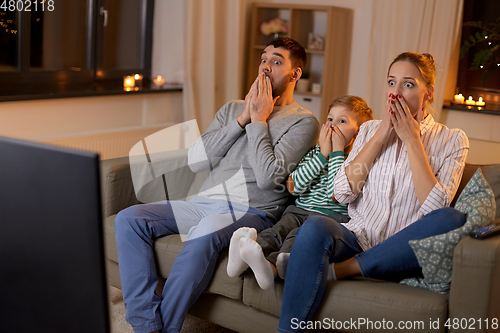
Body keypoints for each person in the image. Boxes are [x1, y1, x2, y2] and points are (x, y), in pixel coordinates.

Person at [114, 37, 319, 333]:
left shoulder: (303, 122)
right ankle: (147, 325)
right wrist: (242, 119)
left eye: (276, 62)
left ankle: (164, 328)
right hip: (202, 202)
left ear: (295, 74)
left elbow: (267, 178)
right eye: (263, 59)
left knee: (207, 230)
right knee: (129, 219)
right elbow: (197, 161)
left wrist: (259, 121)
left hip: (253, 211)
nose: (265, 67)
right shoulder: (231, 110)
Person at [277, 52, 470, 333]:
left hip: (403, 251)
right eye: (392, 83)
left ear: (428, 92)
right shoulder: (367, 131)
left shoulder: (452, 140)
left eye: (408, 84)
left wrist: (412, 141)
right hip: (358, 238)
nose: (396, 93)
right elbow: (342, 193)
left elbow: (435, 212)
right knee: (315, 225)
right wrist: (381, 135)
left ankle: (345, 270)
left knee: (452, 218)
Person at [226, 95, 373, 290]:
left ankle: (272, 271)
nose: (332, 126)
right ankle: (242, 261)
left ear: (358, 134)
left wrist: (337, 152)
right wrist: (322, 155)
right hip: (298, 211)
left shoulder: (355, 163)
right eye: (330, 119)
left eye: (342, 121)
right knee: (274, 233)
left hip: (327, 221)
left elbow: (336, 194)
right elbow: (294, 186)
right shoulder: (315, 153)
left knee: (295, 239)